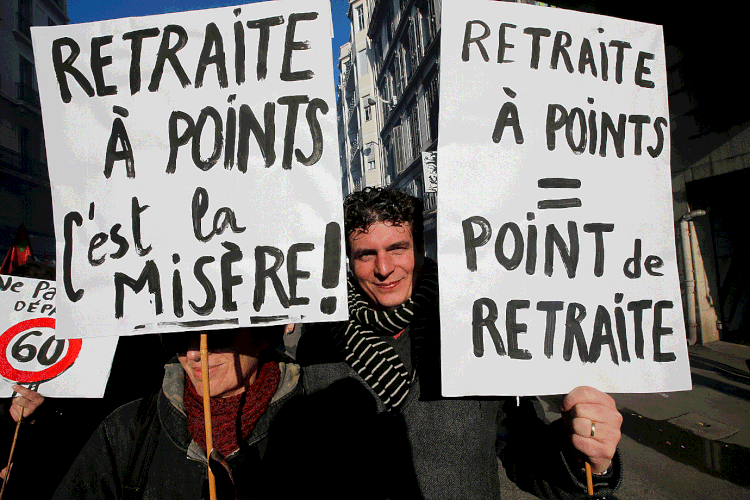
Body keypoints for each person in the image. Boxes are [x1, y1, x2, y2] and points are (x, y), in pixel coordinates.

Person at [298, 187, 623, 499]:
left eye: (397, 248)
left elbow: (525, 453)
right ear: (350, 264)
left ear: (420, 252)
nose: (384, 269)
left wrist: (584, 456)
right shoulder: (318, 346)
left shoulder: (475, 328)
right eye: (367, 254)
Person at [52, 326, 300, 499]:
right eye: (177, 337)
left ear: (263, 335)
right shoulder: (127, 428)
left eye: (215, 333)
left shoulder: (327, 404)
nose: (193, 353)